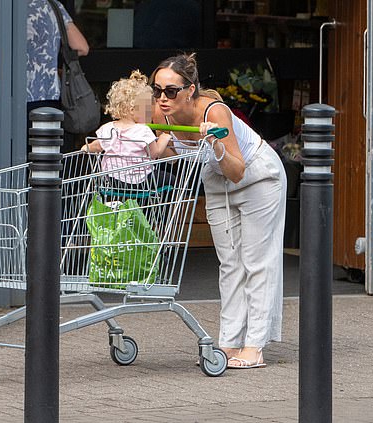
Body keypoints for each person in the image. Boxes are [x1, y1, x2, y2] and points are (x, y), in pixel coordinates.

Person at [150, 53, 287, 369]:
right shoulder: (161, 112)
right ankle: (227, 343)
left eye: (170, 91)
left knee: (256, 261)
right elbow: (165, 150)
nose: (162, 98)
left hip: (256, 176)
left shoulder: (215, 110)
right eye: (157, 90)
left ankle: (255, 346)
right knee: (229, 263)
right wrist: (154, 147)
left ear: (190, 90)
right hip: (215, 178)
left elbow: (237, 169)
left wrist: (216, 145)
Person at [82, 70, 171, 187]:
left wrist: (86, 147)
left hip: (112, 180)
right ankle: (160, 205)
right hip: (140, 181)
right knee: (170, 180)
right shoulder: (142, 130)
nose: (151, 115)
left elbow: (97, 146)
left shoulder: (108, 128)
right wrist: (164, 138)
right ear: (132, 110)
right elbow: (154, 153)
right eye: (147, 111)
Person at [26, 0, 89, 137]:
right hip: (49, 94)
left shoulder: (6, 7)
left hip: (12, 95)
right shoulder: (53, 6)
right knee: (45, 151)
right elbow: (82, 47)